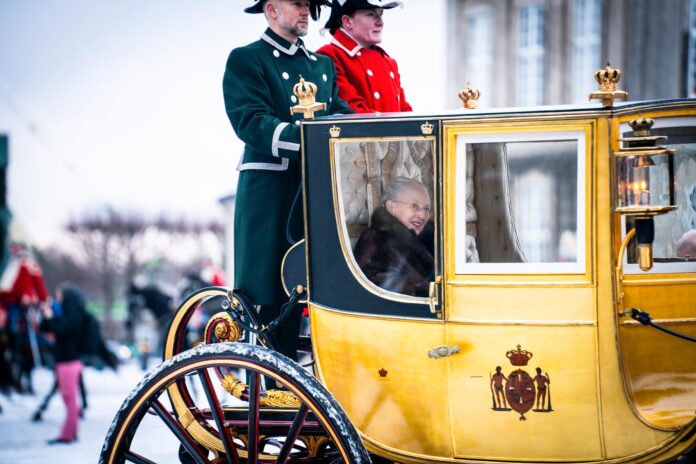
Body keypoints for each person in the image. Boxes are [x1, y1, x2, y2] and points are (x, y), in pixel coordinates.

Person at [223, 0, 352, 360]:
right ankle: (271, 389)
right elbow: (250, 121)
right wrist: (309, 140)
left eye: (308, 5)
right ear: (271, 10)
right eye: (296, 3)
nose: (305, 12)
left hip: (316, 191)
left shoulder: (322, 66)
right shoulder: (247, 59)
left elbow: (340, 115)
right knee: (269, 295)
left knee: (317, 288)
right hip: (272, 196)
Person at [317, 0, 411, 113]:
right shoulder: (329, 56)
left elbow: (404, 110)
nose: (380, 22)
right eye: (370, 14)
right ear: (347, 22)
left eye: (380, 14)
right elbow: (351, 111)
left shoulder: (388, 61)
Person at [353, 177, 433, 296]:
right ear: (391, 207)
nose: (422, 214)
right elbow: (388, 292)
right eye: (414, 206)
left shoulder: (429, 239)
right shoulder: (375, 240)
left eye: (426, 208)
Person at [39, 283, 87, 444]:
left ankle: (68, 434)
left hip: (69, 361)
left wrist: (50, 316)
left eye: (60, 296)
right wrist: (47, 314)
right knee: (69, 398)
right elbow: (48, 328)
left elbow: (60, 331)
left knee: (69, 398)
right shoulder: (69, 314)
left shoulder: (74, 315)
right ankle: (71, 432)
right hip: (66, 361)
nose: (58, 299)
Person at [0, 240, 49, 394]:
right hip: (7, 303)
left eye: (15, 247)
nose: (12, 249)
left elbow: (39, 286)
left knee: (16, 331)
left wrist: (41, 300)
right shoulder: (10, 264)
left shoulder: (29, 264)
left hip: (20, 304)